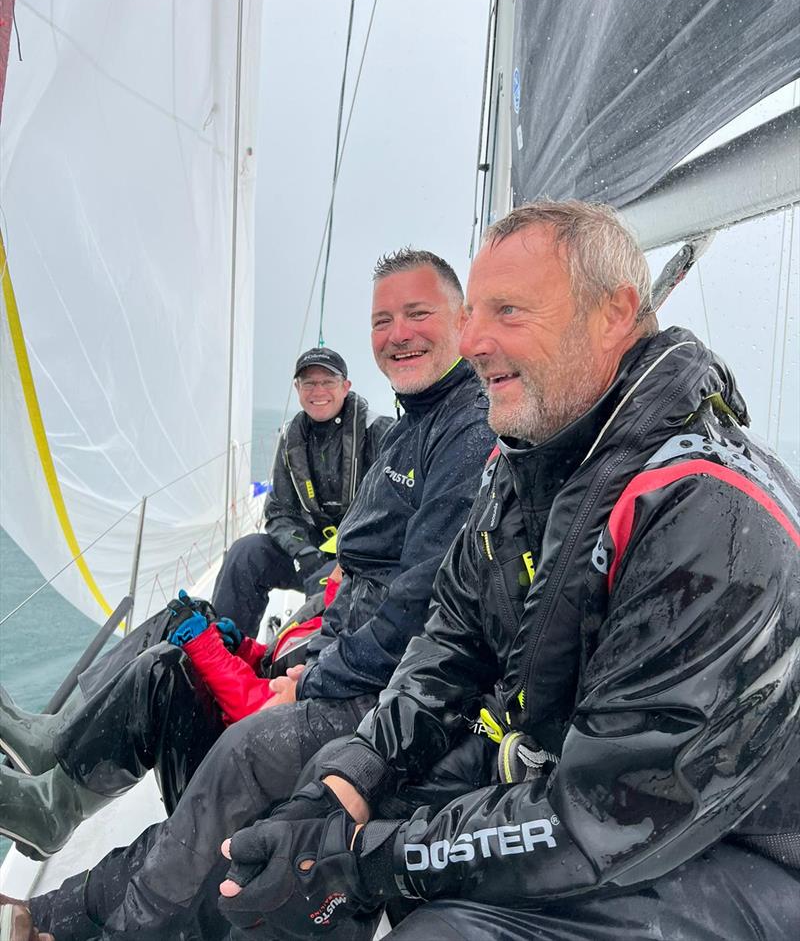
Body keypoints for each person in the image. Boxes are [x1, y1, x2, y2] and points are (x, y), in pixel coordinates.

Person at [217, 200, 800, 941]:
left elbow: (601, 819)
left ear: (615, 312)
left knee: (441, 929)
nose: (473, 339)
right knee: (292, 845)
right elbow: (447, 649)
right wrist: (347, 784)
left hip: (740, 854)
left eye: (509, 311)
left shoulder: (708, 512)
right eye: (474, 313)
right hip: (571, 795)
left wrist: (364, 860)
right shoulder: (526, 467)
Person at [15, 248, 495, 941]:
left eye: (417, 313)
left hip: (383, 691)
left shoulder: (462, 429)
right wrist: (300, 652)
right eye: (383, 318)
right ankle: (58, 779)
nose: (399, 332)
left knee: (239, 751)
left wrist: (308, 678)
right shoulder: (412, 427)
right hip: (334, 638)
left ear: (463, 319)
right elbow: (313, 540)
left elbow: (418, 605)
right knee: (171, 664)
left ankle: (108, 917)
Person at [213, 347, 393, 636]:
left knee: (326, 583)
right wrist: (304, 553)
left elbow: (395, 510)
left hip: (363, 557)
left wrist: (347, 558)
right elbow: (278, 512)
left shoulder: (379, 431)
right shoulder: (291, 439)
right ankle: (227, 651)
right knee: (245, 553)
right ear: (297, 388)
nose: (318, 390)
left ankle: (313, 670)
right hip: (312, 552)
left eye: (328, 382)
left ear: (345, 386)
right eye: (309, 382)